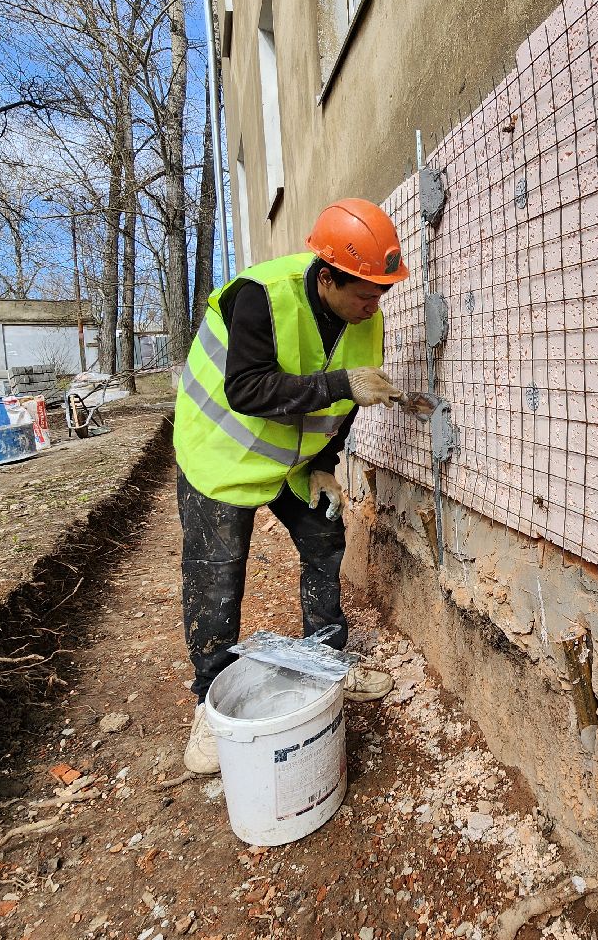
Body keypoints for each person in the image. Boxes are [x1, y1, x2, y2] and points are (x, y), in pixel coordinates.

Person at [172, 197, 408, 775]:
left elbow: (348, 399)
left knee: (325, 543)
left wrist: (326, 461)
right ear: (327, 277)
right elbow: (247, 390)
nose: (376, 304)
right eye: (367, 292)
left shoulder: (363, 318)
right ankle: (209, 704)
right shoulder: (258, 296)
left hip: (292, 462)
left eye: (382, 292)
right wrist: (339, 381)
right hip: (221, 456)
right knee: (218, 577)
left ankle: (328, 663)